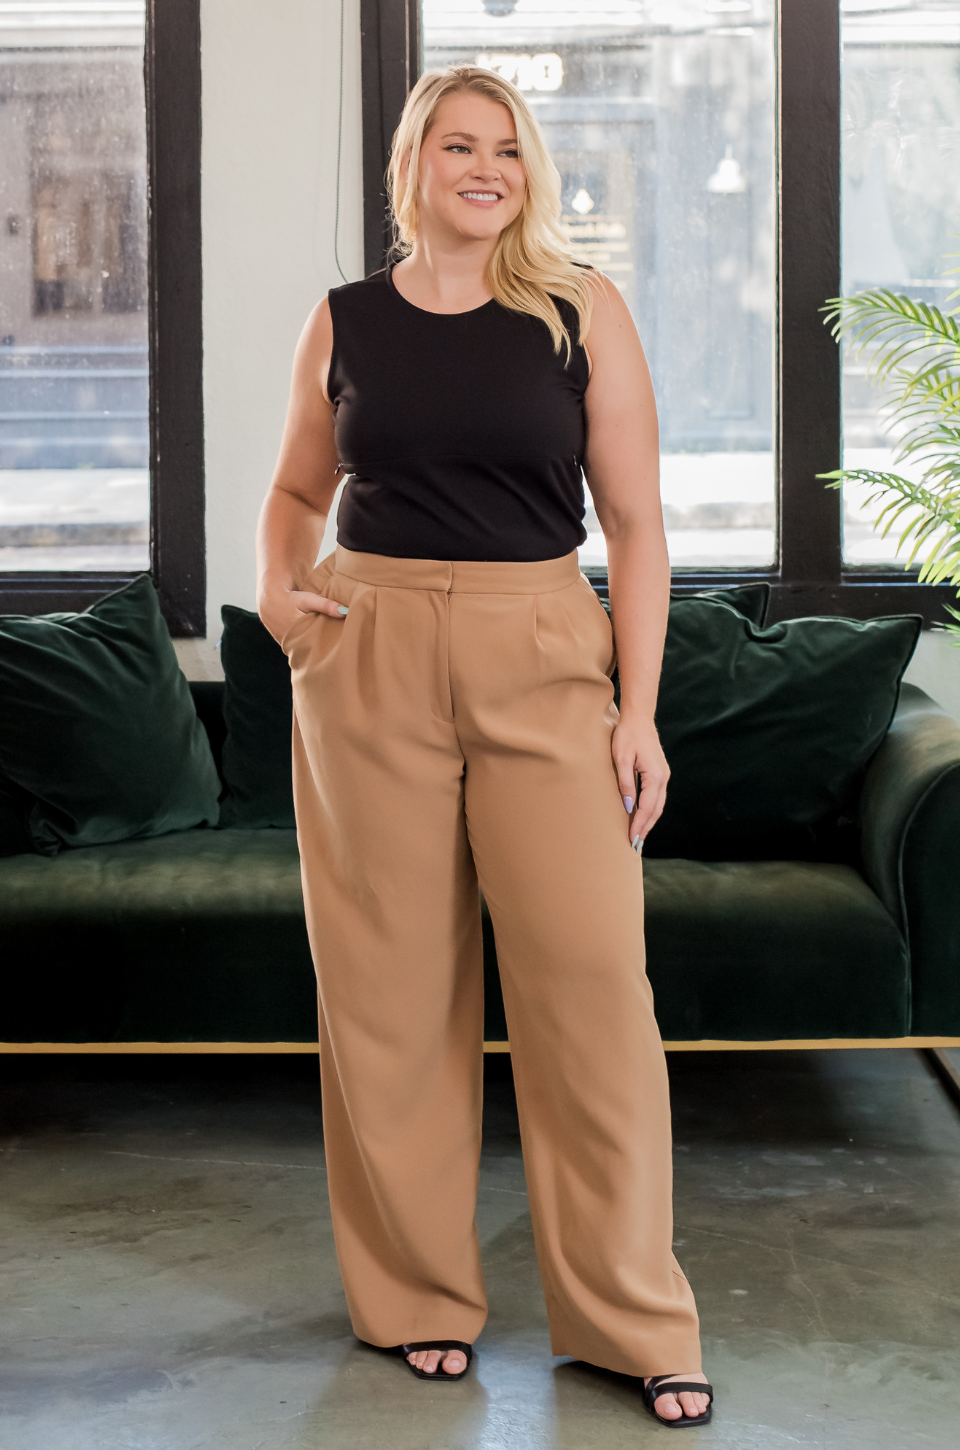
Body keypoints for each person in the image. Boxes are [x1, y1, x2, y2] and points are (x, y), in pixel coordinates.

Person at [256, 65, 713, 1428]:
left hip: (539, 650)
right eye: (461, 145)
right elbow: (294, 490)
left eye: (508, 151)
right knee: (389, 991)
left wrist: (636, 711)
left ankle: (633, 1316)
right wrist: (286, 595)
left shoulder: (579, 314)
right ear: (413, 166)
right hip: (372, 650)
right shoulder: (343, 322)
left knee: (592, 993)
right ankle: (414, 1297)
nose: (487, 168)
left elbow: (634, 524)